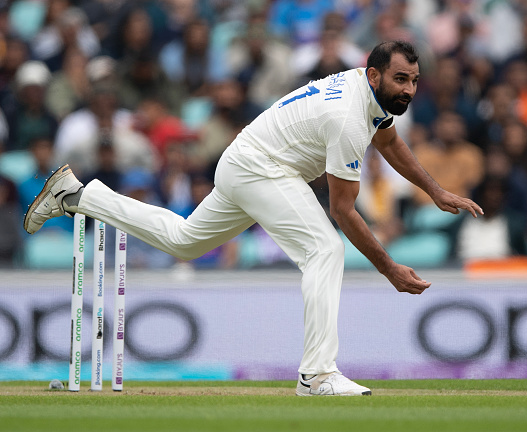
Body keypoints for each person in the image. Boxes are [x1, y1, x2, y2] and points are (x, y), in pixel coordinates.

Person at [23, 41, 482, 396]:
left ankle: (80, 195)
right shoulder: (347, 117)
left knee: (185, 242)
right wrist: (389, 270)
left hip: (248, 162)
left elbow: (389, 140)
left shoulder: (368, 92)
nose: (409, 90)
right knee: (324, 249)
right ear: (375, 73)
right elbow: (342, 208)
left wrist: (434, 189)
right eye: (401, 79)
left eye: (415, 81)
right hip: (260, 167)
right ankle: (318, 375)